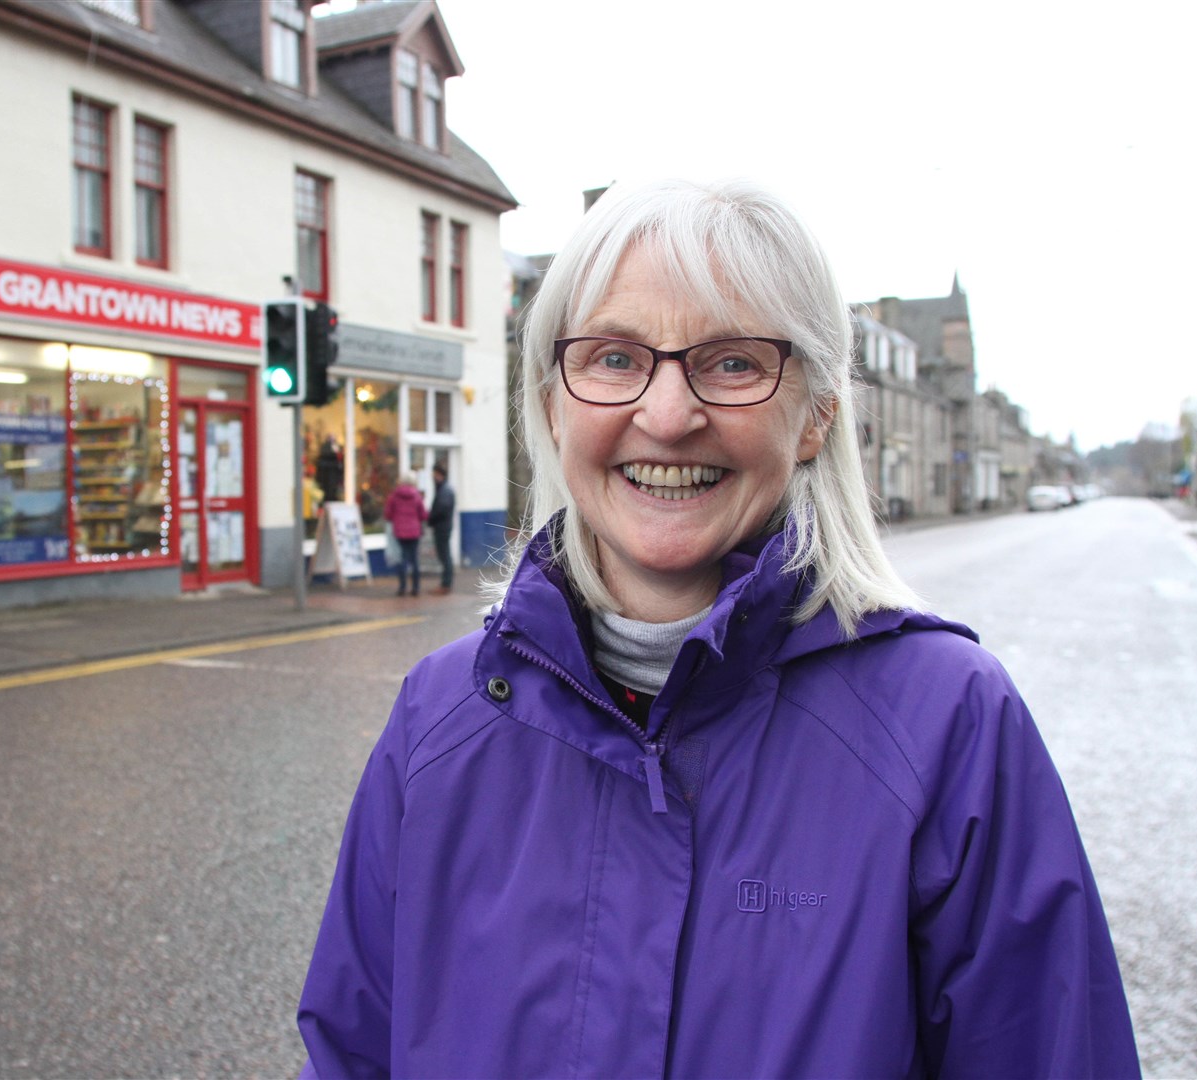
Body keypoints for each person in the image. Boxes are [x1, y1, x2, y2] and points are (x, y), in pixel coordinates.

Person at [297, 179, 1140, 1077]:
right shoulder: (439, 715)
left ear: (816, 414)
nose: (666, 416)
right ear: (552, 402)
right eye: (615, 358)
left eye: (733, 362)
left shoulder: (949, 724)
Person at [382, 473, 427, 597]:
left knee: (402, 559)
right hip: (414, 532)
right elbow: (423, 514)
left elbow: (388, 514)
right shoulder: (417, 496)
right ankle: (416, 588)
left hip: (400, 532)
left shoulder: (394, 496)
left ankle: (402, 587)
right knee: (414, 560)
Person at [425, 464, 456, 594]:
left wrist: (431, 518)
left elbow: (441, 509)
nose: (433, 477)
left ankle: (446, 584)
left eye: (434, 474)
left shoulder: (445, 490)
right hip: (442, 526)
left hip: (442, 528)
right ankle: (445, 583)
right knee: (444, 555)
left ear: (440, 474)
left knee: (445, 555)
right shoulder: (444, 489)